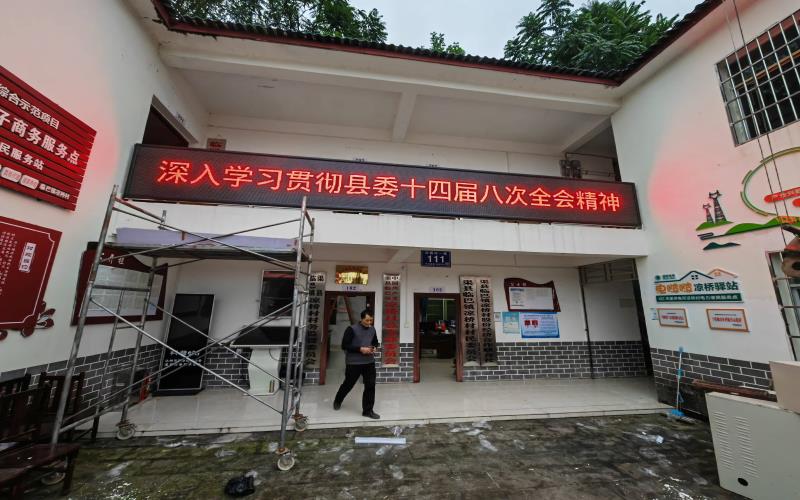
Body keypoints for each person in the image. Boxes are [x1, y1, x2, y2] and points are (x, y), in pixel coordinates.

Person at [333, 309, 380, 419]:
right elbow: (345, 345)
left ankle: (368, 411)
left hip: (369, 362)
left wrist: (374, 347)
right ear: (361, 319)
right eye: (367, 320)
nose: (369, 323)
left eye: (371, 320)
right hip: (354, 362)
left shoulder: (372, 329)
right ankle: (338, 400)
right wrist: (360, 349)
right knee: (348, 384)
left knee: (370, 385)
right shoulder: (351, 329)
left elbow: (375, 342)